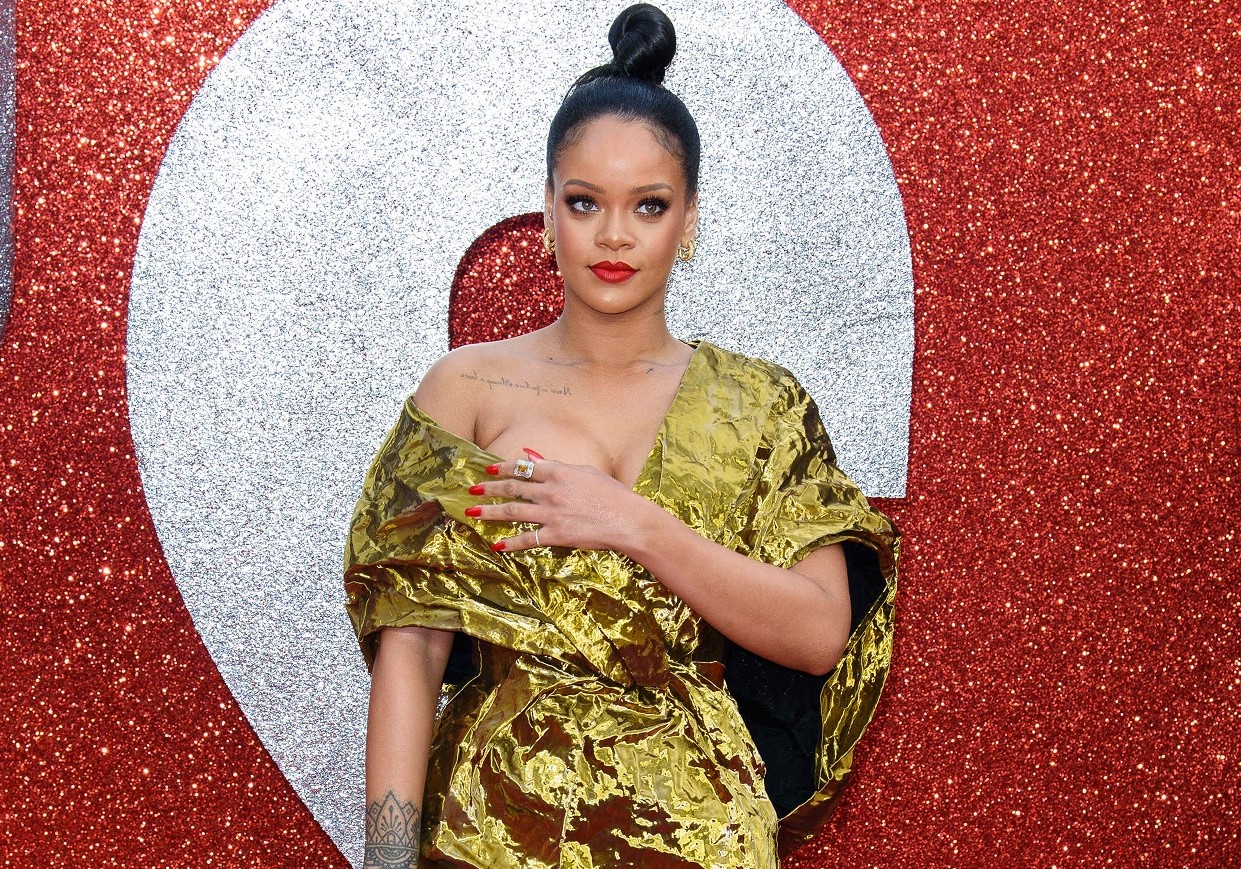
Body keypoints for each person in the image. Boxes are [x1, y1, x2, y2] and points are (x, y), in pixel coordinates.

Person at [343, 5, 899, 867]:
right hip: (493, 823)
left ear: (689, 218)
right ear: (546, 210)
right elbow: (410, 646)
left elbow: (821, 630)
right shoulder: (469, 387)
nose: (612, 235)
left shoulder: (760, 403)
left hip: (700, 824)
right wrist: (383, 861)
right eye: (583, 202)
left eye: (648, 204)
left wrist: (631, 521)